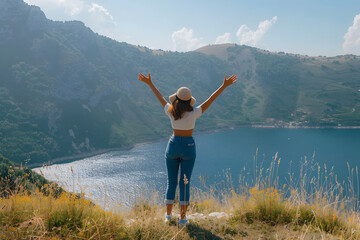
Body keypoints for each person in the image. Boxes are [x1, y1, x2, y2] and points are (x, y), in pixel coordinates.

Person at [138, 73, 237, 226]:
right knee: (185, 183)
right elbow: (211, 99)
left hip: (173, 144)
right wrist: (223, 86)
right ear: (189, 101)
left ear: (176, 100)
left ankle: (168, 216)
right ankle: (183, 219)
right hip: (188, 147)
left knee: (171, 182)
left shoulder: (171, 110)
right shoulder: (194, 112)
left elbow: (160, 98)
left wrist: (150, 83)